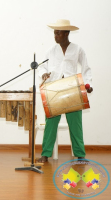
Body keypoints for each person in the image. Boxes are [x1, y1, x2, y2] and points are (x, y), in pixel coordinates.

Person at [37, 19, 93, 163]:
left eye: (58, 33)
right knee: (51, 122)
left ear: (67, 33)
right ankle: (45, 154)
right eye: (54, 33)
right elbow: (42, 66)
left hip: (73, 88)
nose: (55, 36)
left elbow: (86, 68)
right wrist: (43, 73)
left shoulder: (78, 49)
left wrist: (88, 84)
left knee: (75, 123)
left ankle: (80, 155)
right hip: (54, 88)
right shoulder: (50, 50)